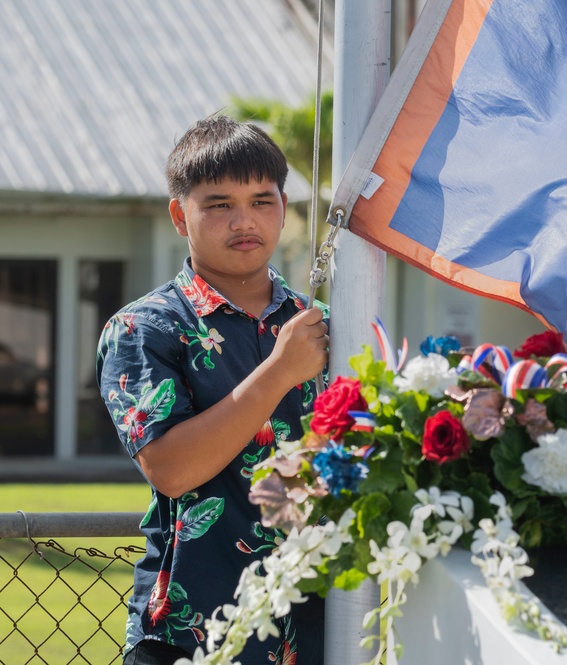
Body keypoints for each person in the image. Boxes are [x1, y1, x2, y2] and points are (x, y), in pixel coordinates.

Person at [97, 115, 329, 664]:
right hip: (190, 628)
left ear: (284, 205)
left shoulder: (317, 325)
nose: (244, 221)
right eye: (220, 204)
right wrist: (279, 370)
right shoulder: (144, 329)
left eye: (261, 200)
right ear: (181, 215)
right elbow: (172, 469)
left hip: (318, 624)